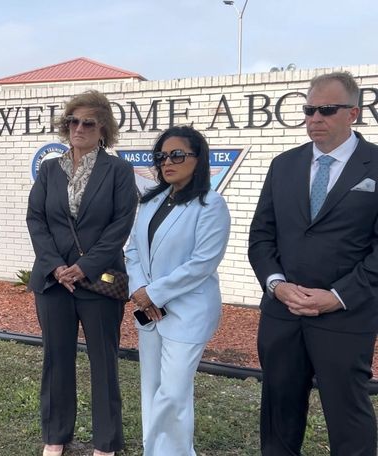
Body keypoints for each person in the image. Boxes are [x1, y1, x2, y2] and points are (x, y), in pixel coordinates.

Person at [249, 71, 378, 455]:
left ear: (353, 113)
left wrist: (336, 296)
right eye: (309, 110)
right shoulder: (283, 164)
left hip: (345, 317)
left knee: (348, 418)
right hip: (282, 314)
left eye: (326, 110)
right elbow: (261, 237)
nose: (315, 118)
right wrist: (276, 284)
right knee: (279, 415)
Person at [26, 89, 137, 456]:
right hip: (54, 281)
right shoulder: (49, 169)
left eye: (88, 122)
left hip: (99, 281)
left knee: (103, 362)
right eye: (73, 120)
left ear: (103, 128)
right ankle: (55, 437)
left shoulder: (118, 171)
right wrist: (57, 266)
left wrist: (83, 267)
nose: (79, 127)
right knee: (56, 360)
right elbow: (37, 220)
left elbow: (120, 226)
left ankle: (105, 443)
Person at [125, 126, 230, 455]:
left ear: (198, 160)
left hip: (189, 313)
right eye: (161, 156)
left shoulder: (211, 205)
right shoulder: (152, 200)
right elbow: (133, 251)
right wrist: (140, 288)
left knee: (172, 393)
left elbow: (202, 263)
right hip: (150, 312)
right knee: (152, 388)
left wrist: (153, 293)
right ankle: (155, 450)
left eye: (177, 155)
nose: (167, 162)